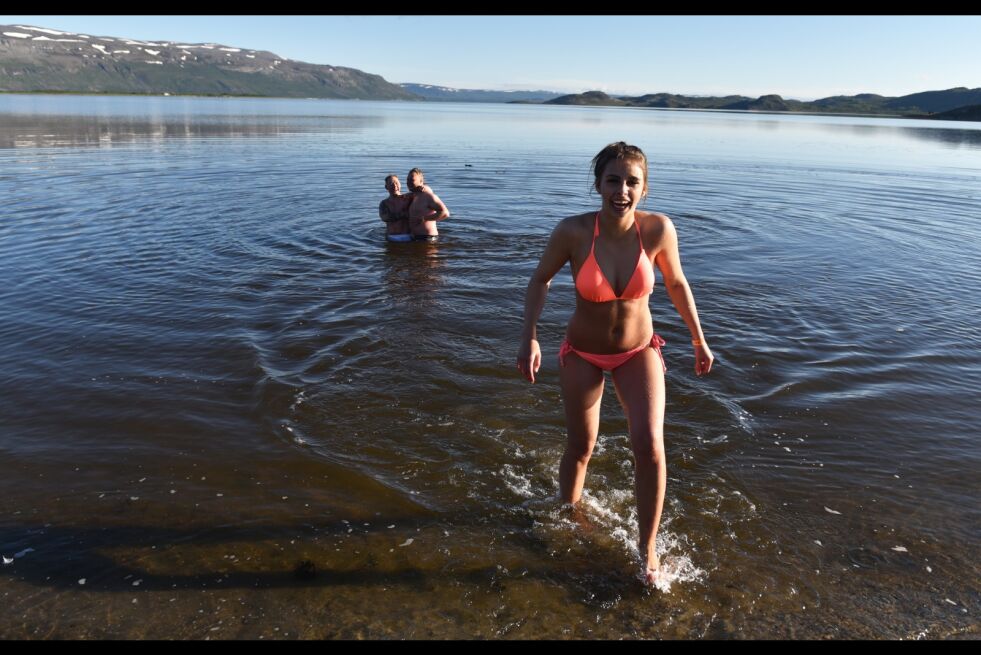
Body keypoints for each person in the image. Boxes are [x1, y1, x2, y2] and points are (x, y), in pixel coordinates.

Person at [516, 142, 714, 586]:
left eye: (632, 182)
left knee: (650, 446)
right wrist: (529, 336)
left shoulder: (659, 229)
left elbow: (677, 283)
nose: (621, 190)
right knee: (581, 447)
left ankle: (647, 552)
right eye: (613, 180)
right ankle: (568, 519)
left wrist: (699, 339)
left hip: (637, 350)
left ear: (644, 189)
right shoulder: (572, 231)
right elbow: (539, 279)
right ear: (598, 184)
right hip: (582, 352)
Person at [406, 168, 450, 242]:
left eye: (412, 180)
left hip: (428, 239)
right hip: (414, 238)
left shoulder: (428, 196)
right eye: (407, 180)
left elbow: (445, 213)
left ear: (421, 182)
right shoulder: (412, 196)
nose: (408, 182)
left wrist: (424, 218)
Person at [379, 174, 413, 242]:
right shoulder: (384, 203)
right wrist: (403, 214)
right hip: (392, 237)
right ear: (386, 187)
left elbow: (424, 192)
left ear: (400, 184)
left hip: (409, 236)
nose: (394, 185)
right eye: (391, 183)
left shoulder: (409, 198)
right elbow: (384, 218)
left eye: (396, 183)